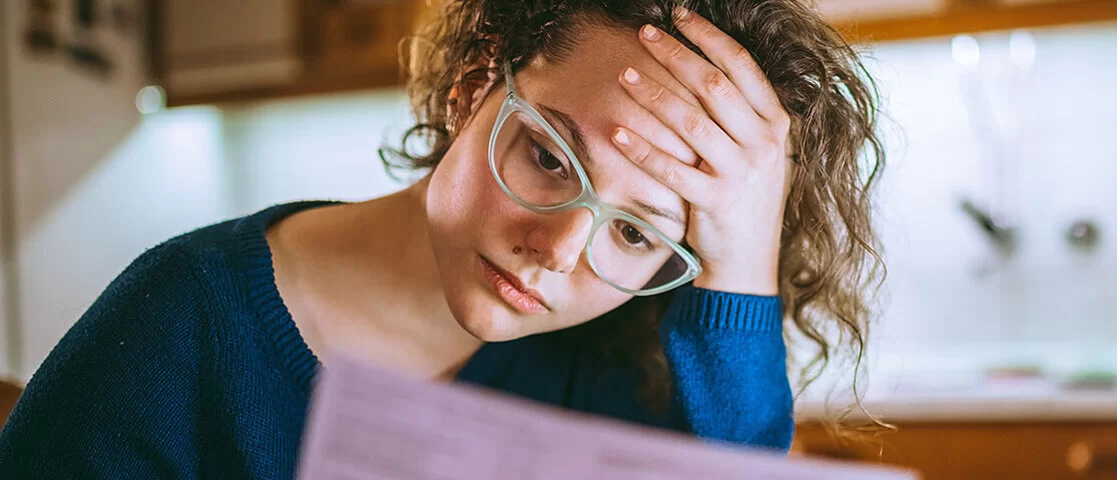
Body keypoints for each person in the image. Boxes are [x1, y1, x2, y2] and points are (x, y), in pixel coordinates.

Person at [0, 0, 885, 477]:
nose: (560, 252)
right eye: (546, 157)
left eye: (636, 234)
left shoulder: (607, 369)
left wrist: (739, 272)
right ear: (471, 86)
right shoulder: (179, 321)